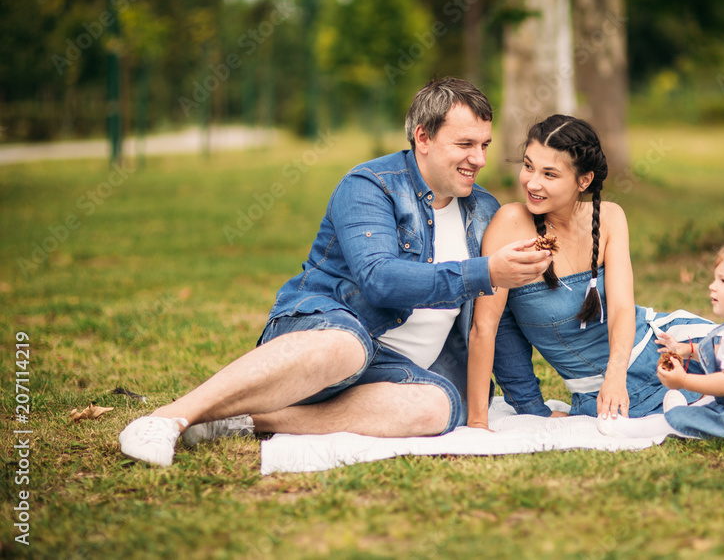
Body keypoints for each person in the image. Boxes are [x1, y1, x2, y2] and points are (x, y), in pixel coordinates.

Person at [119, 77, 553, 466]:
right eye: (464, 145)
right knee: (348, 348)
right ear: (423, 137)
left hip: (394, 375)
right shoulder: (370, 185)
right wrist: (484, 271)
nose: (478, 159)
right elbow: (380, 279)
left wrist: (532, 408)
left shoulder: (484, 211)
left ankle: (244, 420)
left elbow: (495, 320)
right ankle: (168, 417)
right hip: (326, 338)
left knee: (439, 407)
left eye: (484, 146)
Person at [466, 114, 724, 431]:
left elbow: (623, 309)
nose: (532, 183)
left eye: (549, 174)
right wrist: (484, 422)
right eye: (528, 166)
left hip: (661, 345)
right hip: (598, 390)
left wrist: (615, 376)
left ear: (583, 180)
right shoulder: (509, 225)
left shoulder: (608, 218)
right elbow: (489, 327)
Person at [604, 241, 724, 443]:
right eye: (715, 279)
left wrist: (683, 381)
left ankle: (632, 428)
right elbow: (723, 352)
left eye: (723, 281)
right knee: (707, 403)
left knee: (681, 419)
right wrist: (686, 349)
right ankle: (678, 406)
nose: (712, 286)